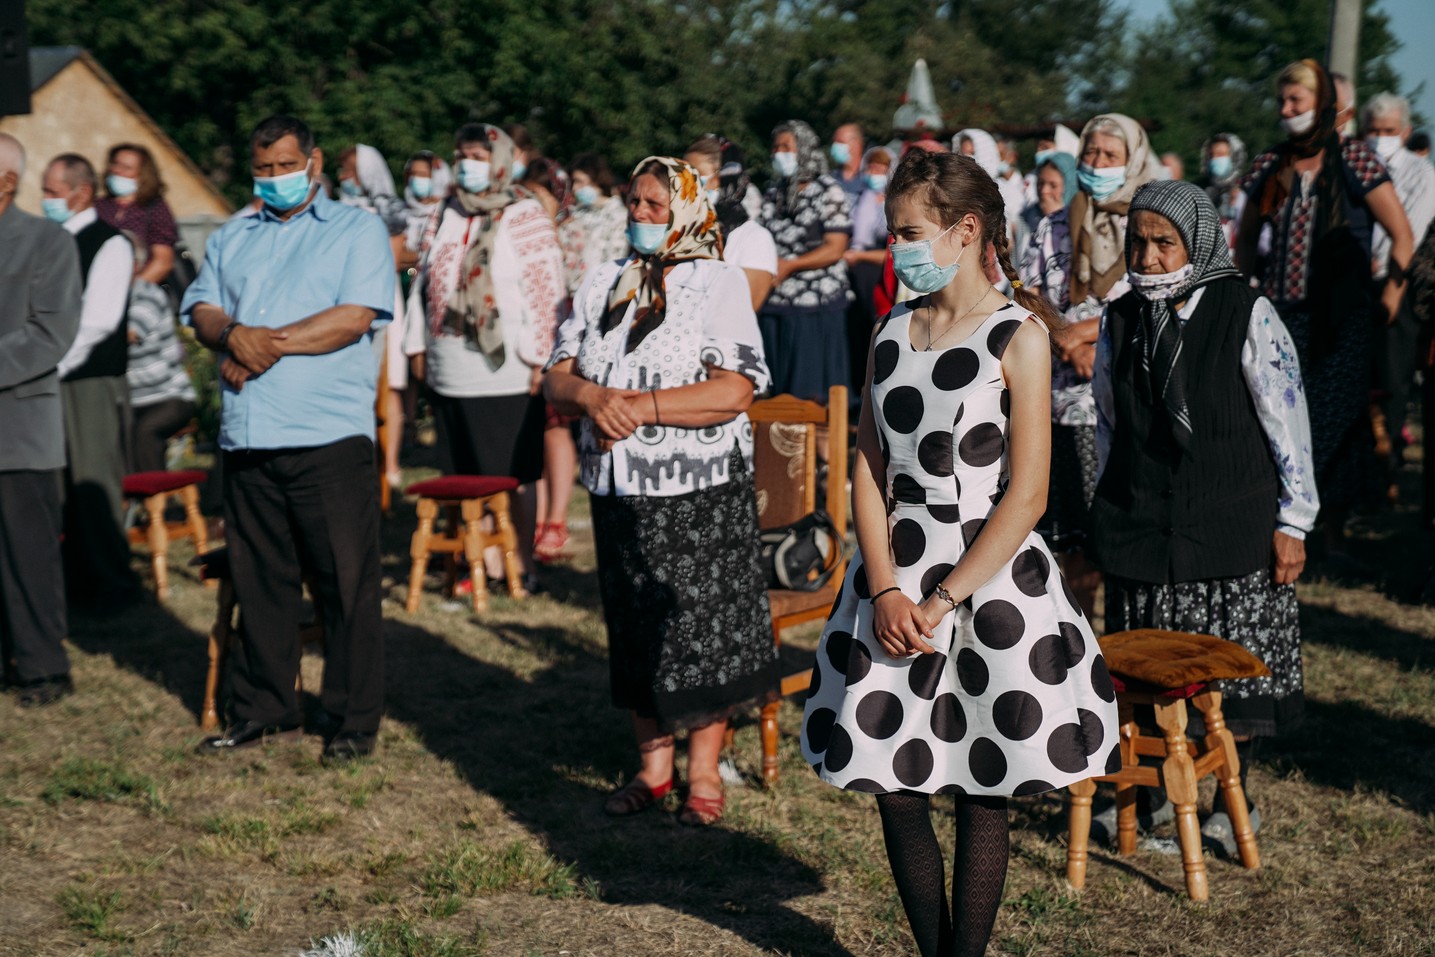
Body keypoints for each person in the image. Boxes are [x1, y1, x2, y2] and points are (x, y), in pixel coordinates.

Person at [801, 150, 1119, 957]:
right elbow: (867, 468)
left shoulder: (1019, 336)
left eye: (908, 232)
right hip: (892, 575)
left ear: (964, 230)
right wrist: (882, 590)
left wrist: (943, 599)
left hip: (988, 577)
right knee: (895, 787)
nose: (892, 248)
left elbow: (1029, 494)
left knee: (985, 786)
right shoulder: (886, 332)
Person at [543, 156, 778, 827]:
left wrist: (638, 406)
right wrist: (591, 396)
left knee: (701, 628)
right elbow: (555, 375)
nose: (641, 216)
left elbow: (734, 388)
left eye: (654, 205)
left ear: (686, 208)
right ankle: (652, 766)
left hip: (697, 487)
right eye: (634, 204)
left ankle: (702, 768)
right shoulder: (603, 281)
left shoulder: (717, 282)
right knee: (637, 621)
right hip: (619, 487)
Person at [1091, 179, 1318, 850]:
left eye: (1164, 242)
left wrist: (1293, 519)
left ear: (1197, 241)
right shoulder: (1120, 317)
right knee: (1145, 675)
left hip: (1227, 521)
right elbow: (1108, 424)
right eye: (1137, 242)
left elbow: (1287, 417)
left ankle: (1229, 796)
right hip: (1142, 523)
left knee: (1226, 680)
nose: (1149, 256)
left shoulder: (1244, 311)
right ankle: (1153, 792)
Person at [184, 115, 395, 763]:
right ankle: (267, 707)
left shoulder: (355, 229)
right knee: (260, 581)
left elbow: (351, 318)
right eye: (263, 168)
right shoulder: (233, 235)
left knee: (343, 581)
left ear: (313, 160)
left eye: (284, 164)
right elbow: (202, 307)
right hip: (250, 435)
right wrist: (228, 334)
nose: (273, 177)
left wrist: (258, 343)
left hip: (326, 436)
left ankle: (351, 716)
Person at [1236, 60, 1413, 561]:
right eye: (1282, 101)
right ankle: (1282, 529)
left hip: (1343, 319)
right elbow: (1247, 233)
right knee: (1276, 420)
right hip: (1278, 316)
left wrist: (1389, 299)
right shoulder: (1273, 164)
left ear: (1324, 106)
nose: (1286, 110)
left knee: (1332, 422)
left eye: (1297, 101)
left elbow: (1401, 234)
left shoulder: (1355, 160)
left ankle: (1330, 536)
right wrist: (1243, 290)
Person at [403, 124, 564, 592]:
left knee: (511, 473)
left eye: (477, 154)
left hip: (509, 366)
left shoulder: (525, 213)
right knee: (464, 471)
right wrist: (417, 345)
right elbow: (424, 283)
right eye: (461, 154)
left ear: (498, 159)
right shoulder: (445, 213)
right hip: (451, 362)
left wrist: (542, 356)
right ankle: (479, 563)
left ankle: (520, 564)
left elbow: (546, 288)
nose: (466, 162)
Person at [1048, 113, 1160, 614]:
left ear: (1132, 159)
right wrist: (1069, 343)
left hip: (1124, 398)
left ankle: (1122, 639)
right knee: (1071, 536)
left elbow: (1155, 297)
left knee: (1116, 531)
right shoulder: (1057, 222)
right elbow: (1027, 294)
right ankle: (1079, 640)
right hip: (1060, 397)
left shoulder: (1150, 225)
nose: (1095, 164)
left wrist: (1091, 334)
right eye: (1089, 154)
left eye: (1108, 156)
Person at [0, 133, 83, 707]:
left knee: (25, 552)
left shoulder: (45, 241)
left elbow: (50, 333)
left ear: (7, 182)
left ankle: (42, 667)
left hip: (18, 428)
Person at [45, 153, 138, 605]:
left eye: (51, 192)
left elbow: (99, 320)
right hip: (48, 377)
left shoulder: (109, 243)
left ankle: (112, 583)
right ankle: (73, 580)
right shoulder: (49, 241)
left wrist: (52, 364)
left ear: (81, 193)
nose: (45, 200)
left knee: (93, 478)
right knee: (58, 485)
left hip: (88, 378)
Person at [1364, 93, 1435, 495]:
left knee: (1392, 382)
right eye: (1374, 131)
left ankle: (1385, 471)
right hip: (1356, 284)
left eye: (1388, 132)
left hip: (1397, 283)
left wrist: (1392, 283)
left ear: (1404, 132)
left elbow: (1414, 228)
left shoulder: (1422, 173)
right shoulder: (1355, 167)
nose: (1380, 139)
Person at [758, 120, 852, 399]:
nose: (779, 153)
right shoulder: (774, 192)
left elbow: (836, 247)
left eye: (786, 147)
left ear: (805, 149)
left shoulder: (827, 190)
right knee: (778, 395)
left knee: (814, 395)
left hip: (816, 305)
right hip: (776, 302)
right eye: (775, 147)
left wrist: (791, 265)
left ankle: (823, 444)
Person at [682, 135, 777, 310]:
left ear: (724, 178)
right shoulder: (681, 231)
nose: (684, 185)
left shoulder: (754, 239)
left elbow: (743, 310)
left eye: (695, 176)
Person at [125, 251, 198, 473]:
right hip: (132, 399)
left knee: (145, 432)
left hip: (169, 396)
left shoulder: (146, 294)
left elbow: (130, 333)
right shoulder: (106, 297)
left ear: (135, 266)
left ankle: (155, 499)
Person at [843, 146, 896, 403]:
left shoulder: (894, 203)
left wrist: (860, 256)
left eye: (880, 169)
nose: (874, 173)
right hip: (860, 273)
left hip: (879, 274)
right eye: (871, 168)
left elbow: (892, 250)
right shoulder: (863, 198)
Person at [97, 144, 177, 287]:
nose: (117, 171)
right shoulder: (99, 206)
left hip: (136, 291)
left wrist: (130, 290)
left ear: (142, 175)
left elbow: (163, 262)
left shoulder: (155, 208)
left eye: (126, 168)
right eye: (115, 164)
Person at [559, 152, 630, 297]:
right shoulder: (577, 213)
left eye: (579, 181)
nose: (574, 188)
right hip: (573, 294)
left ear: (596, 180)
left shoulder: (618, 215)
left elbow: (615, 260)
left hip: (600, 294)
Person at [1198, 133, 1248, 249]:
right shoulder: (1200, 190)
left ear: (1234, 157)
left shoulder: (1247, 188)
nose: (1215, 159)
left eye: (1221, 155)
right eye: (1212, 155)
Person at [830, 122, 867, 206]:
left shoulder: (872, 177)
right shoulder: (831, 177)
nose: (835, 146)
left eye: (840, 142)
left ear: (857, 145)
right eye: (834, 141)